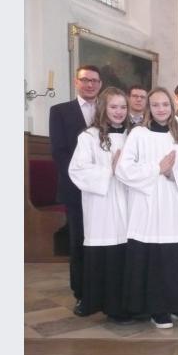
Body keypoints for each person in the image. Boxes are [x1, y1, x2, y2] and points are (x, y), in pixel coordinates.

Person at [115, 87, 178, 328]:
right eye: (155, 105)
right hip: (146, 205)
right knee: (153, 256)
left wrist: (174, 175)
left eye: (164, 104)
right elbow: (123, 169)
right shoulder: (138, 135)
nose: (161, 109)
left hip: (173, 204)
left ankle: (176, 304)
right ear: (148, 108)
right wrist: (157, 169)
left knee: (174, 256)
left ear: (171, 106)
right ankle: (157, 309)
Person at [68, 87, 132, 323]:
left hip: (127, 202)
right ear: (103, 108)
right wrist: (110, 171)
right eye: (113, 107)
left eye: (123, 107)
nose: (119, 112)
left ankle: (122, 306)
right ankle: (99, 302)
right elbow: (77, 170)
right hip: (102, 204)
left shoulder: (133, 136)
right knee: (105, 252)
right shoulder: (89, 136)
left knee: (124, 253)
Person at [49, 64, 103, 316]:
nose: (90, 84)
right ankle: (82, 294)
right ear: (76, 82)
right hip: (76, 190)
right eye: (85, 80)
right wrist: (84, 180)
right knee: (79, 242)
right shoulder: (60, 111)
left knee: (103, 240)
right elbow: (59, 152)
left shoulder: (107, 109)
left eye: (94, 80)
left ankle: (104, 290)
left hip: (105, 191)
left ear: (100, 84)